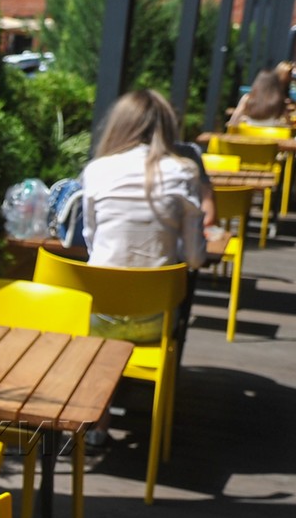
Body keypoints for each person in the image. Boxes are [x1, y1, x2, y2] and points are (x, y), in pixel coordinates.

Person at [81, 90, 207, 342]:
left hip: (101, 318)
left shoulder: (96, 170)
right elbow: (194, 258)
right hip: (155, 322)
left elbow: (93, 243)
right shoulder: (184, 171)